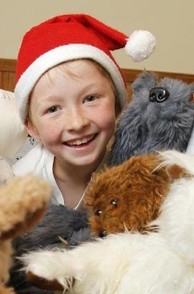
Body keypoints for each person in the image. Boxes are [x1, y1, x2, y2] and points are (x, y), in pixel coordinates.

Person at [12, 14, 156, 208]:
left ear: (117, 102)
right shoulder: (18, 182)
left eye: (90, 99)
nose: (77, 123)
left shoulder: (137, 167)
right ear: (31, 127)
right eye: (53, 109)